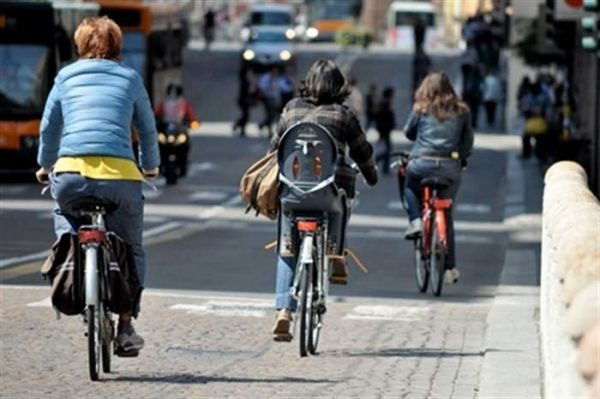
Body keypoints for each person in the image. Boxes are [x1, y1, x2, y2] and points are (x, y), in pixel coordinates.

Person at [35, 16, 159, 357]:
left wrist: (46, 166)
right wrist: (150, 166)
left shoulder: (64, 77)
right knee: (132, 247)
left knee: (65, 216)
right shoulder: (130, 78)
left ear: (79, 45)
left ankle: (69, 250)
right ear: (117, 45)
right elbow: (147, 129)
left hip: (71, 175)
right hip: (120, 178)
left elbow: (49, 129)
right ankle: (125, 325)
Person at [268, 59, 378, 340]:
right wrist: (371, 174)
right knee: (343, 202)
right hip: (328, 194)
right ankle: (335, 250)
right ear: (339, 86)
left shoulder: (291, 109)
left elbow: (274, 148)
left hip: (292, 194)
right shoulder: (343, 115)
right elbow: (362, 151)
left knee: (286, 248)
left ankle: (284, 310)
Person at [402, 72, 474, 285]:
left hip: (421, 163)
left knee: (409, 185)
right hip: (450, 167)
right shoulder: (462, 111)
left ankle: (415, 220)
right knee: (447, 211)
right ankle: (449, 267)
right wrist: (461, 157)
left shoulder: (420, 108)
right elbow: (467, 141)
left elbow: (408, 132)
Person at [374, 86, 396, 175]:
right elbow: (382, 118)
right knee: (388, 150)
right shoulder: (385, 104)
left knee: (387, 149)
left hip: (385, 129)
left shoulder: (384, 103)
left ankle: (383, 167)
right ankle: (379, 163)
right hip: (385, 129)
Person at [257, 67, 282, 137]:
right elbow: (261, 87)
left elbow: (277, 91)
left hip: (273, 99)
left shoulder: (276, 79)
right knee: (269, 114)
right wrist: (268, 88)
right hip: (267, 98)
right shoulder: (266, 78)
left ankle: (262, 125)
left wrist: (278, 99)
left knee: (273, 115)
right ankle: (269, 131)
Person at [233, 65, 256, 137]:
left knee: (245, 115)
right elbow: (248, 91)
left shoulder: (246, 81)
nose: (251, 74)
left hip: (244, 100)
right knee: (245, 115)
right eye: (249, 73)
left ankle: (239, 126)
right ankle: (240, 127)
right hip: (243, 100)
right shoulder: (245, 82)